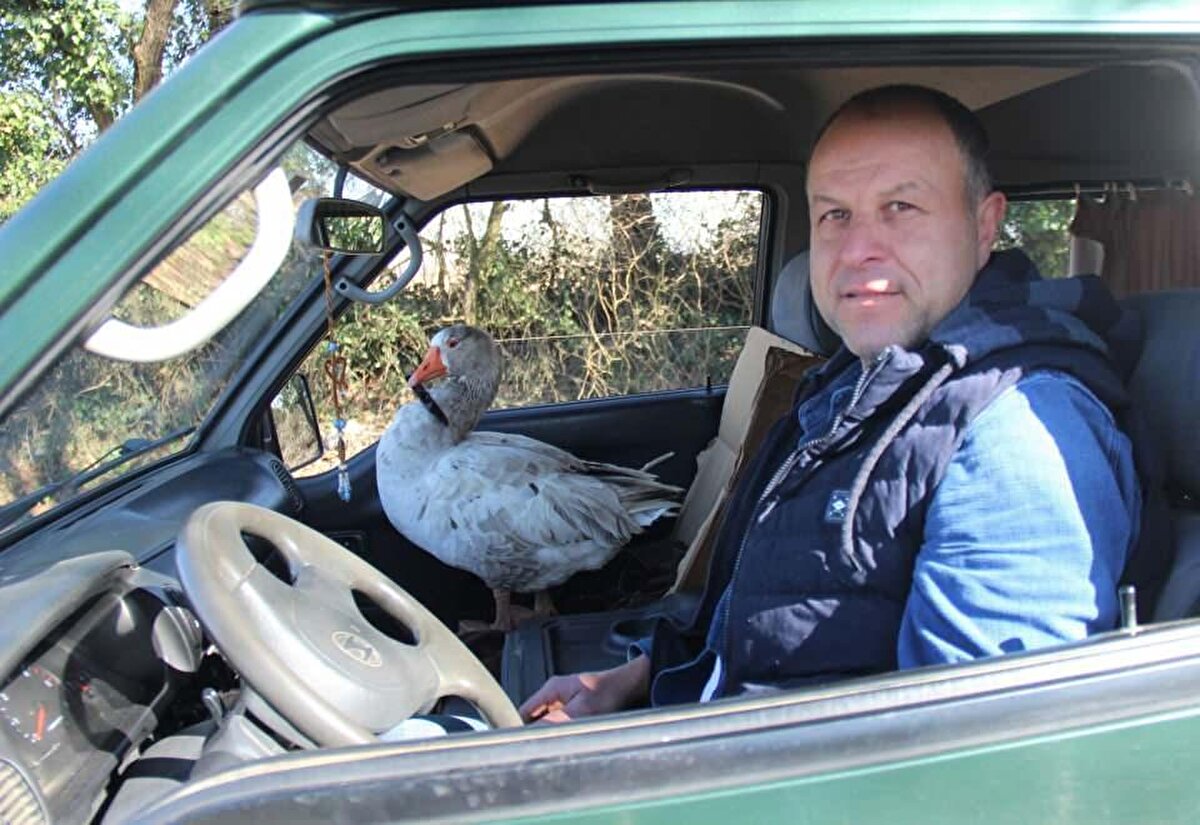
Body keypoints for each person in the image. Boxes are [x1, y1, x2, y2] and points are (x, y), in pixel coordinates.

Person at [519, 85, 1145, 723]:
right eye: (835, 215)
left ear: (984, 226)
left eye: (900, 207)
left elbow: (975, 752)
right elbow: (773, 611)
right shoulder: (850, 387)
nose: (856, 249)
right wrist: (636, 679)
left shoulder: (1015, 437)